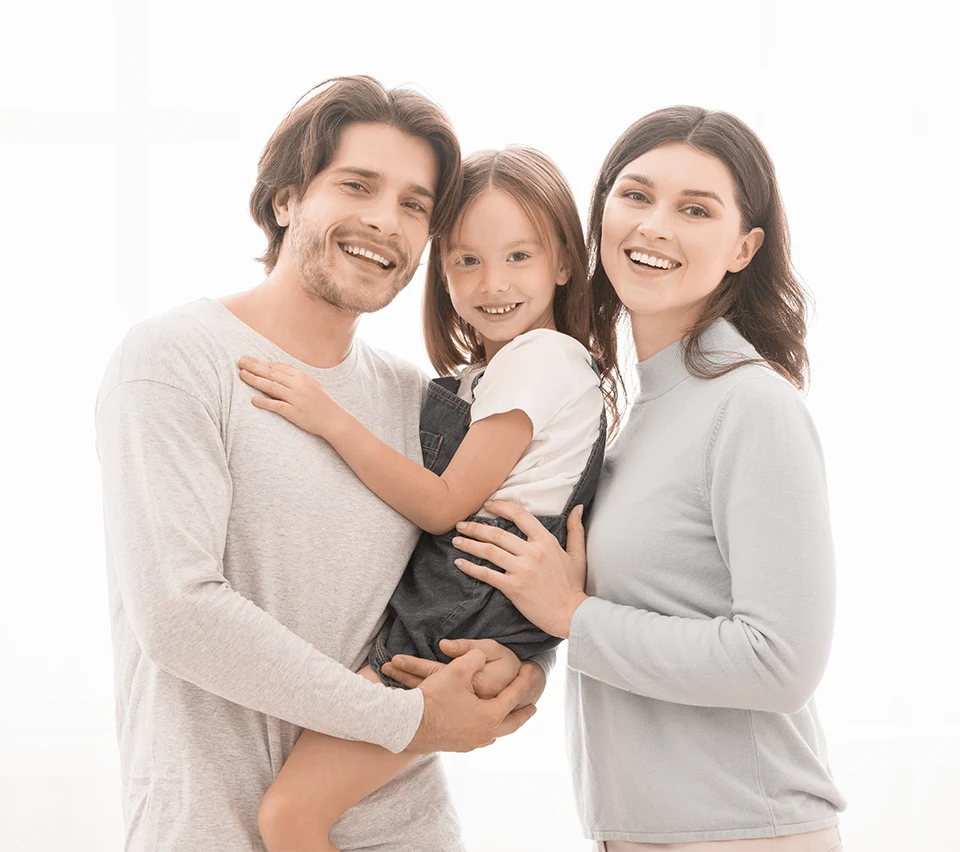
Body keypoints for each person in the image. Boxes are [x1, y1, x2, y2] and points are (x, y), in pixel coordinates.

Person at [94, 75, 545, 852]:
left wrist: (517, 669)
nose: (385, 220)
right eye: (358, 185)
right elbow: (179, 613)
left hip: (407, 829)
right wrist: (410, 718)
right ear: (286, 199)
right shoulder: (175, 358)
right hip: (212, 829)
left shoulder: (420, 404)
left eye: (414, 204)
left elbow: (479, 574)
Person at [390, 106, 848, 850]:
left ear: (744, 247)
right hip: (635, 832)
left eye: (695, 209)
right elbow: (642, 617)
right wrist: (526, 653)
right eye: (635, 196)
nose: (656, 226)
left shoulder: (751, 405)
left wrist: (574, 617)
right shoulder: (632, 416)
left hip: (747, 832)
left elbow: (781, 663)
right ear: (599, 217)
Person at [236, 145, 614, 852]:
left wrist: (326, 417)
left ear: (564, 262)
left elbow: (443, 507)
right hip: (465, 612)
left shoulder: (540, 359)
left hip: (455, 613)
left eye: (519, 257)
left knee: (289, 814)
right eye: (465, 259)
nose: (490, 282)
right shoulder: (488, 374)